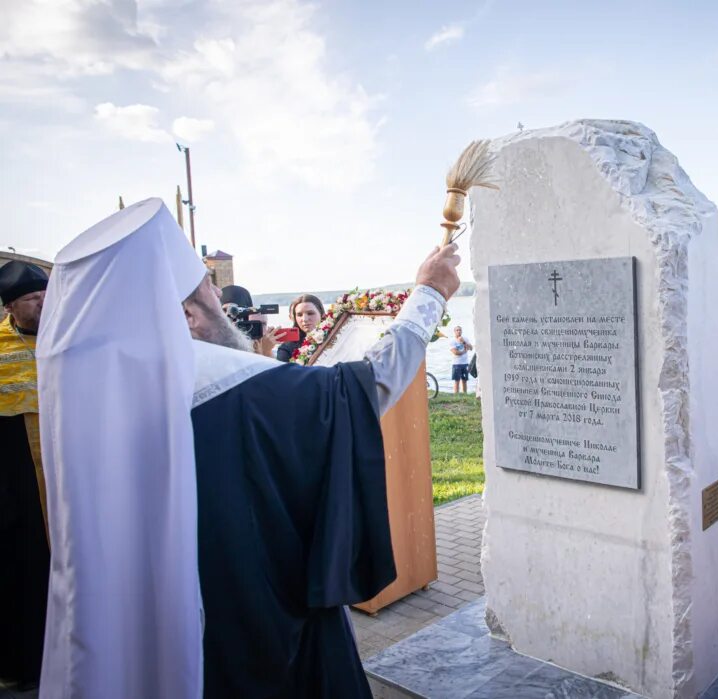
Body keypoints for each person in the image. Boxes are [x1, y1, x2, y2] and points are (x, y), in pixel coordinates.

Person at [37, 198, 459, 698]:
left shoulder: (91, 406)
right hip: (258, 634)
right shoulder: (241, 391)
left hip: (139, 636)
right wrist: (430, 292)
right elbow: (365, 390)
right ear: (187, 314)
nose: (221, 301)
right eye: (208, 291)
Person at [0, 261, 49, 691]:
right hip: (16, 482)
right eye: (34, 299)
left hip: (65, 473)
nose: (44, 304)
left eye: (47, 295)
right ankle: (25, 662)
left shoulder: (67, 339)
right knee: (22, 567)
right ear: (12, 306)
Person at [220, 284, 279, 357]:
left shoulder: (255, 341)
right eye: (224, 310)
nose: (229, 315)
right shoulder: (212, 339)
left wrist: (265, 352)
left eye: (235, 311)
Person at [277, 293, 325, 362]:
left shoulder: (336, 335)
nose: (305, 319)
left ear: (322, 315)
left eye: (310, 313)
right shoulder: (286, 349)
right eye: (299, 315)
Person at [449, 325, 473, 394]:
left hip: (465, 363)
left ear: (461, 331)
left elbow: (471, 348)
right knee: (457, 381)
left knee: (464, 380)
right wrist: (464, 351)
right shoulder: (452, 341)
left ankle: (465, 394)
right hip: (456, 364)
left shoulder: (465, 339)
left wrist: (463, 342)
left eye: (460, 330)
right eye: (457, 330)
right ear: (454, 332)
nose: (459, 331)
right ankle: (456, 395)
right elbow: (455, 352)